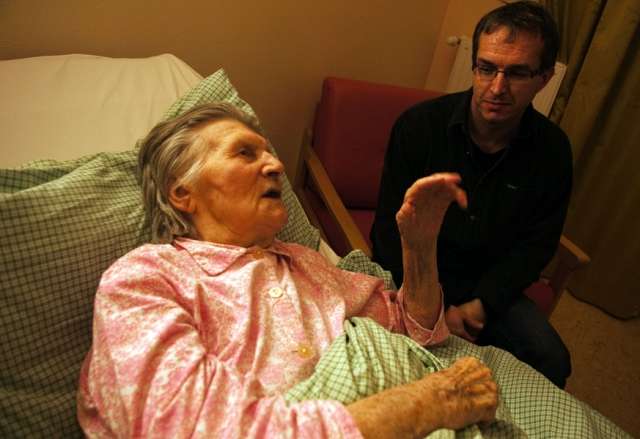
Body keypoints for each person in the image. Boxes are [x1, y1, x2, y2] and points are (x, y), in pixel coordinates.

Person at [77, 102, 497, 438]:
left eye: (269, 152)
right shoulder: (145, 279)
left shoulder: (305, 261)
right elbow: (184, 429)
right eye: (245, 153)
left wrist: (419, 246)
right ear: (182, 193)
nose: (275, 165)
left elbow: (414, 329)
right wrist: (428, 403)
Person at [370, 1, 572, 388]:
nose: (497, 88)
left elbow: (537, 246)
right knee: (392, 368)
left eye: (517, 73)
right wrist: (433, 305)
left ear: (544, 78)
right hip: (414, 273)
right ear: (474, 65)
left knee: (552, 360)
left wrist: (481, 304)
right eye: (487, 68)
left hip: (489, 286)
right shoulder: (418, 127)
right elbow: (386, 231)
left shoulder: (553, 151)